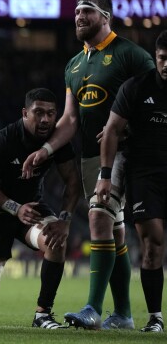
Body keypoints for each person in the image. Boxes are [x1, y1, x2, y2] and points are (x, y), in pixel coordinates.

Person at [22, 0, 155, 330]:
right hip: (91, 156)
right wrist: (46, 150)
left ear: (105, 16)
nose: (79, 17)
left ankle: (93, 309)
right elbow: (69, 121)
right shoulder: (74, 64)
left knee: (98, 220)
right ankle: (123, 315)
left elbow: (158, 97)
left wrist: (128, 128)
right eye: (78, 12)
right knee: (115, 232)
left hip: (128, 153)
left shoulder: (131, 55)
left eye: (87, 12)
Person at [0, 88, 81, 329]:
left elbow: (73, 181)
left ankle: (43, 313)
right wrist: (14, 207)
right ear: (24, 113)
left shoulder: (56, 143)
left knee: (55, 240)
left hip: (31, 210)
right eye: (38, 112)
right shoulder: (2, 140)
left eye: (51, 114)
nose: (45, 120)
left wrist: (65, 220)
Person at [96, 30, 167, 333]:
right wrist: (104, 175)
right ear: (156, 57)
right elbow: (111, 130)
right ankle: (155, 317)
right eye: (163, 58)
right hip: (144, 174)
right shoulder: (137, 87)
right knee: (153, 240)